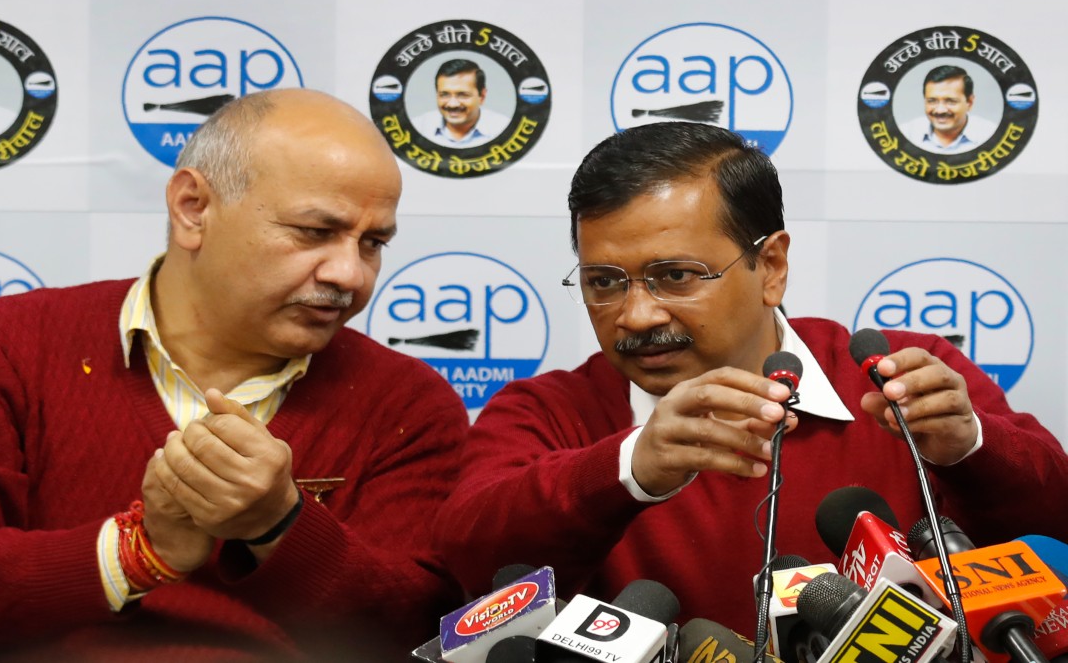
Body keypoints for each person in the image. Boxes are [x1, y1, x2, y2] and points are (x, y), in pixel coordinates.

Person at [0, 89, 468, 661]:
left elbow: (420, 633)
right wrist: (134, 555)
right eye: (315, 232)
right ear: (193, 208)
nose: (349, 274)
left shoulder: (408, 406)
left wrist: (281, 524)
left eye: (373, 243)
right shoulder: (1, 347)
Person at [433, 121, 1068, 635]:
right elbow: (467, 564)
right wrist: (632, 467)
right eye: (604, 282)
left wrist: (973, 450)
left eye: (675, 276)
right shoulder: (548, 410)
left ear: (771, 266)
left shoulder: (897, 375)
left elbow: (1054, 530)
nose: (636, 315)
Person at [899, 64, 997, 154]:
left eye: (950, 101)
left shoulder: (993, 136)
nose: (940, 110)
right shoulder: (905, 134)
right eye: (932, 101)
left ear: (969, 102)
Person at [413, 58, 510, 148]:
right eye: (444, 94)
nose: (452, 104)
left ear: (482, 96)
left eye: (463, 95)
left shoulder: (506, 131)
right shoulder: (416, 128)